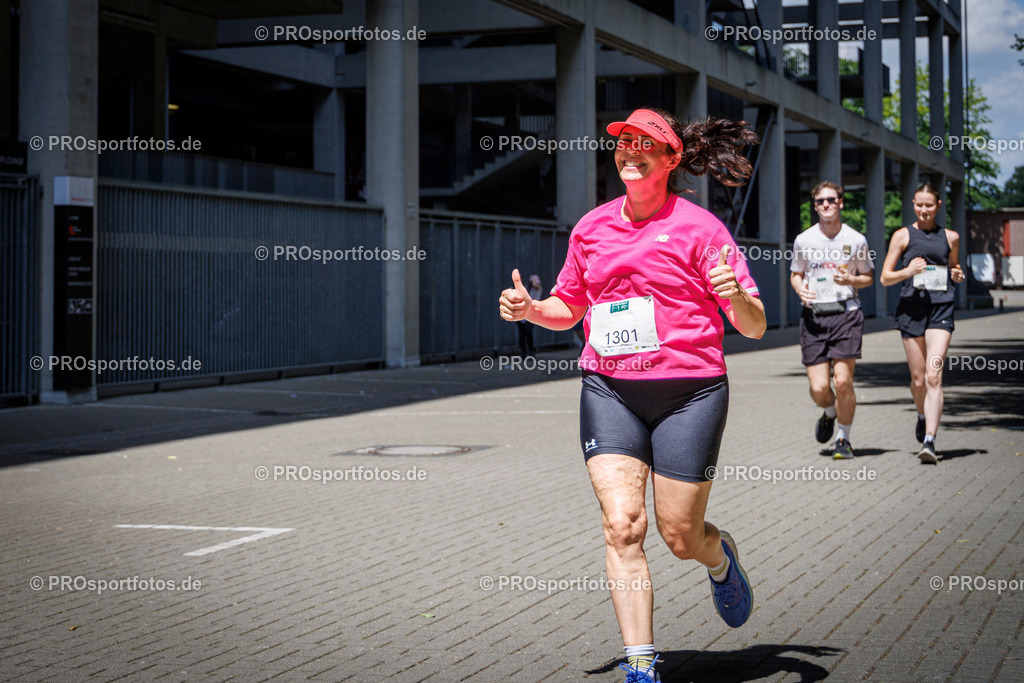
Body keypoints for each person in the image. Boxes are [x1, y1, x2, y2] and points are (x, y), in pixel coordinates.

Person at [499, 108, 765, 683]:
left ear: (672, 160)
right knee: (622, 525)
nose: (631, 152)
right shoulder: (591, 228)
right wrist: (529, 310)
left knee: (679, 535)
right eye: (624, 144)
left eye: (647, 145)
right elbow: (567, 307)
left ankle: (721, 561)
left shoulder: (701, 229)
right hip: (610, 389)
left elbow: (755, 325)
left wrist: (733, 296)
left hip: (689, 393)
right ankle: (642, 664)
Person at [880, 183, 965, 463]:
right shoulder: (902, 235)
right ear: (913, 204)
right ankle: (921, 415)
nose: (924, 210)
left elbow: (954, 266)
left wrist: (957, 274)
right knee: (918, 381)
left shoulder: (951, 237)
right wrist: (908, 270)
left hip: (941, 309)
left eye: (929, 205)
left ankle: (930, 440)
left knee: (933, 375)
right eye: (919, 205)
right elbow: (885, 277)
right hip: (911, 311)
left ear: (938, 205)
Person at [790, 182, 875, 459]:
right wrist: (799, 288)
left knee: (842, 382)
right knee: (818, 388)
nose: (826, 205)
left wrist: (851, 279)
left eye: (831, 200)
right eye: (820, 201)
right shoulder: (804, 240)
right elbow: (796, 273)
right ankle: (828, 412)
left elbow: (868, 277)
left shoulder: (856, 239)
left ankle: (843, 438)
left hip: (846, 314)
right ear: (815, 207)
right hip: (814, 317)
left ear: (841, 203)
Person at [515, 274, 543, 356]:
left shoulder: (537, 289)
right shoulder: (527, 288)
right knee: (521, 334)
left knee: (528, 332)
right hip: (521, 314)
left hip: (531, 314)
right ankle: (523, 352)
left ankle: (531, 350)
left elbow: (536, 286)